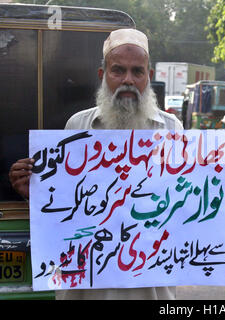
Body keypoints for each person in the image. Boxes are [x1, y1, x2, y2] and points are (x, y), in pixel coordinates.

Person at [8, 28, 182, 300]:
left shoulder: (171, 128)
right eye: (118, 70)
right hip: (86, 287)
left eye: (137, 72)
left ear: (148, 77)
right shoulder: (77, 126)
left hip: (148, 285)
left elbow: (185, 200)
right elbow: (65, 203)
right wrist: (36, 192)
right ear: (103, 76)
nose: (128, 80)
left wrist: (220, 174)